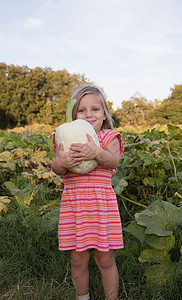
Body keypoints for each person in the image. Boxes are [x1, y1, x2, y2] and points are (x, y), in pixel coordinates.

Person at [51, 85, 124, 300]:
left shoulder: (108, 137)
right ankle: (82, 297)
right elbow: (57, 168)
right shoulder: (65, 135)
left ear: (104, 114)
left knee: (105, 260)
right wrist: (61, 162)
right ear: (73, 114)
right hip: (75, 208)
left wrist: (96, 152)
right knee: (77, 260)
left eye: (95, 109)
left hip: (101, 207)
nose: (89, 114)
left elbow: (113, 161)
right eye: (82, 110)